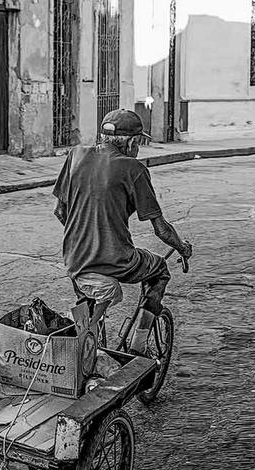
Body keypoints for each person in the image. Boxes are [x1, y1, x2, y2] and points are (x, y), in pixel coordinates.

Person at [52, 109, 192, 351]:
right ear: (130, 142)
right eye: (138, 143)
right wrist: (182, 247)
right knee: (160, 270)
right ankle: (139, 342)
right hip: (115, 259)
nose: (137, 149)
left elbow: (60, 212)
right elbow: (161, 229)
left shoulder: (75, 155)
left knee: (86, 307)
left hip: (74, 257)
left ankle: (87, 349)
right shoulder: (133, 169)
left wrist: (87, 237)